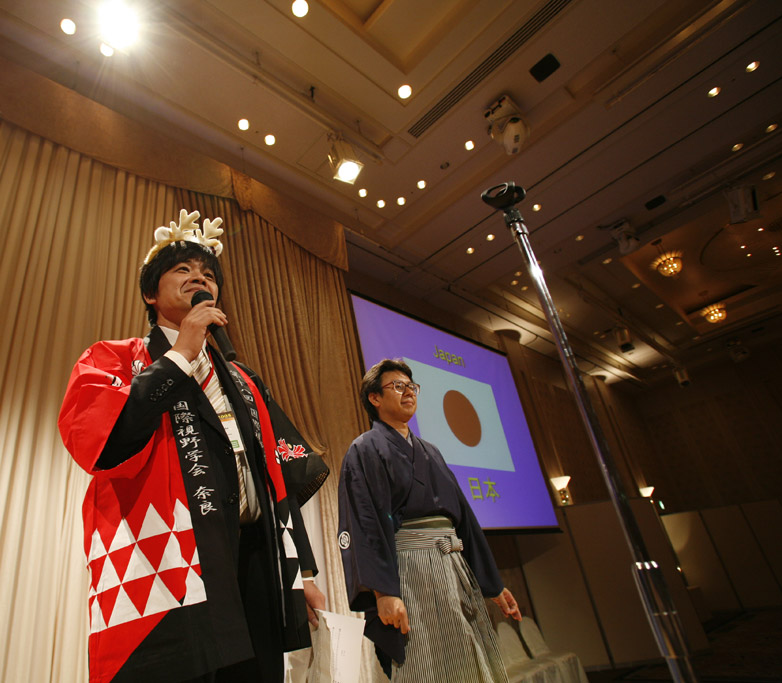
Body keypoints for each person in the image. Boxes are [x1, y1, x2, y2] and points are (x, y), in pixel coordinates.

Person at [59, 210, 326, 683]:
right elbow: (104, 443)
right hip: (171, 560)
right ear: (150, 293)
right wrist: (181, 352)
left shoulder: (243, 379)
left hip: (255, 557)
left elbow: (279, 479)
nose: (199, 279)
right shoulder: (115, 359)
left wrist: (301, 572)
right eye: (182, 270)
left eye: (208, 275)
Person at [337, 359, 521, 682]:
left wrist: (493, 585)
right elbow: (366, 525)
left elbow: (465, 522)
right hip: (410, 572)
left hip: (453, 565)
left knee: (469, 661)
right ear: (374, 398)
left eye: (412, 386)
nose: (409, 392)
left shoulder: (432, 452)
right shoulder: (364, 449)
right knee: (425, 664)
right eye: (398, 386)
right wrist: (383, 592)